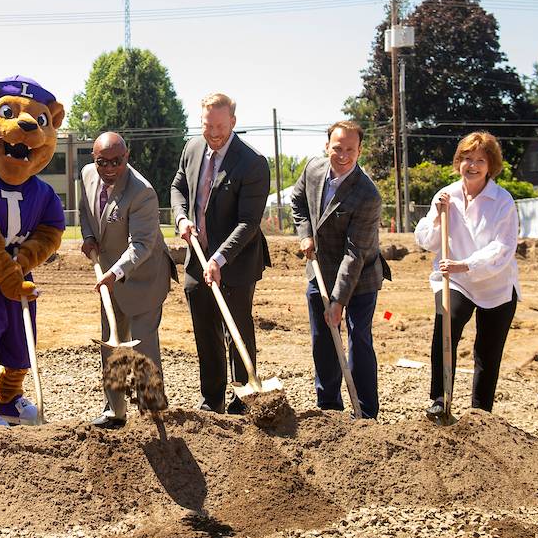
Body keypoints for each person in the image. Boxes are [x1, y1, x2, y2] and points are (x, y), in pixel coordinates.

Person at [171, 93, 271, 414]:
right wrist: (181, 217)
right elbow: (176, 187)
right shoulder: (192, 148)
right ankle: (211, 399)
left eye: (220, 126)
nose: (214, 133)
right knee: (206, 331)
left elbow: (248, 222)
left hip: (236, 262)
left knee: (236, 331)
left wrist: (219, 258)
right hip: (196, 259)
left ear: (233, 122)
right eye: (207, 125)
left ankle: (243, 398)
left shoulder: (252, 163)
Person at [414, 131, 520, 414]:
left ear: (491, 165)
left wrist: (467, 264)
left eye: (480, 160)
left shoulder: (503, 201)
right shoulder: (446, 195)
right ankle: (440, 399)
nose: (472, 165)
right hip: (455, 280)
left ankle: (480, 414)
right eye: (467, 158)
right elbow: (427, 240)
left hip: (495, 285)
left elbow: (504, 246)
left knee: (487, 351)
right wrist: (437, 215)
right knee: (445, 327)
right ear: (459, 161)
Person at [290, 121, 390, 419]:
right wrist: (305, 234)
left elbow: (355, 253)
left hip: (358, 277)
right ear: (327, 147)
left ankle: (366, 413)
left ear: (360, 150)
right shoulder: (313, 169)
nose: (343, 155)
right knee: (323, 339)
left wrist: (338, 302)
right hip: (319, 269)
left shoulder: (367, 194)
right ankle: (329, 406)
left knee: (358, 339)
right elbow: (297, 201)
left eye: (350, 149)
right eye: (337, 147)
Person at [78, 132, 177, 429]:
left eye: (116, 161)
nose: (109, 167)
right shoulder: (86, 175)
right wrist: (88, 237)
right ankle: (114, 411)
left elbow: (143, 245)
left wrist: (116, 272)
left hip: (144, 277)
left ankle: (152, 413)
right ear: (93, 160)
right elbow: (85, 210)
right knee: (111, 344)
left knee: (143, 347)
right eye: (102, 161)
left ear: (127, 156)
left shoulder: (141, 191)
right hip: (109, 277)